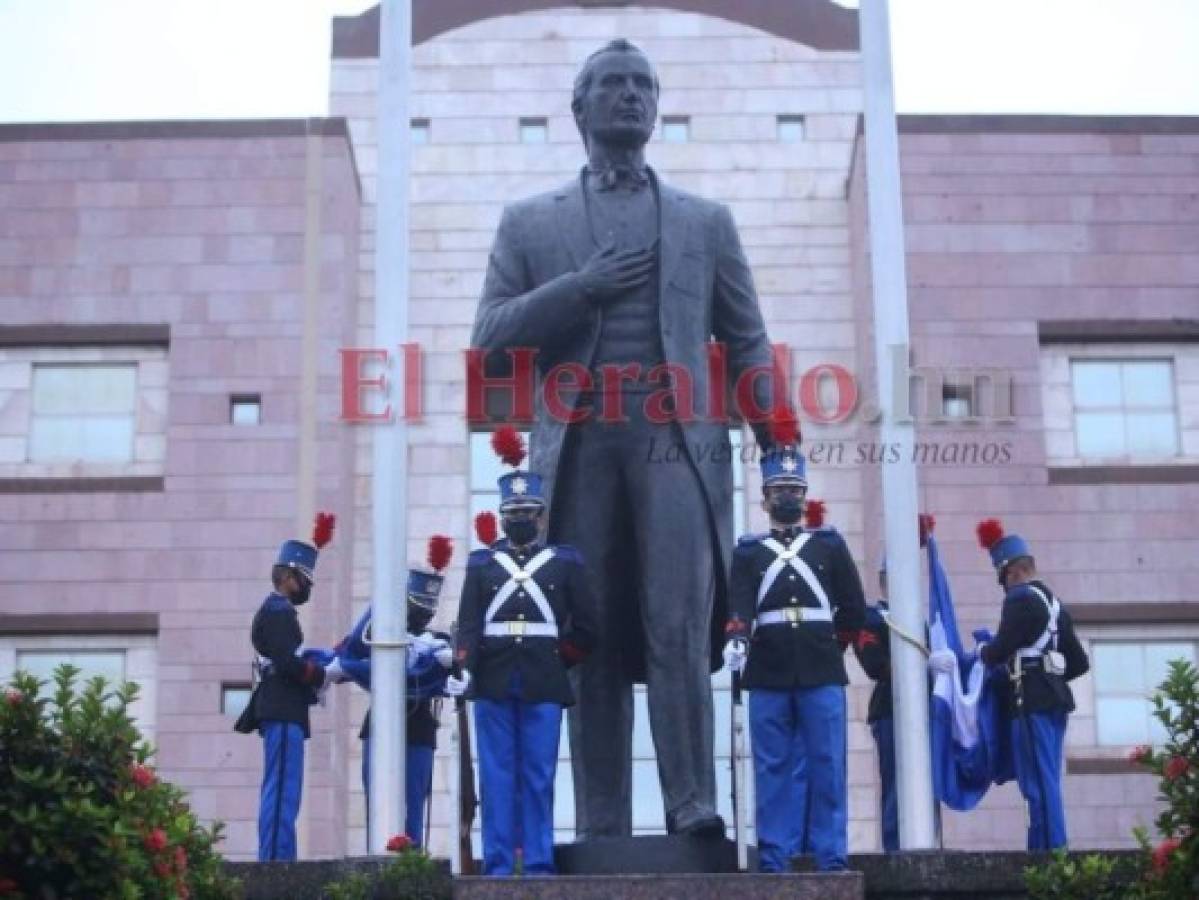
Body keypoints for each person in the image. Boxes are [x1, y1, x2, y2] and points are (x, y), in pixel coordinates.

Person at [471, 37, 780, 840]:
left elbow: (746, 340)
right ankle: (603, 822)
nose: (630, 95)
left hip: (675, 445)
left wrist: (777, 436)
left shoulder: (705, 222)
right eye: (612, 84)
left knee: (677, 619)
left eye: (643, 84)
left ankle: (691, 804)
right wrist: (581, 289)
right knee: (593, 631)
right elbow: (490, 340)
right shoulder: (529, 222)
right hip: (578, 448)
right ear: (580, 106)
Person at [448, 428, 598, 875]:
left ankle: (537, 861)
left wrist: (559, 659)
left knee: (538, 776)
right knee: (496, 777)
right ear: (501, 515)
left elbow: (588, 627)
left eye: (527, 512)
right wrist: (462, 664)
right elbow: (470, 624)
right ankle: (497, 864)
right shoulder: (482, 564)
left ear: (540, 516)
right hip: (492, 677)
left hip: (543, 678)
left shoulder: (564, 562)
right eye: (513, 512)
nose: (520, 519)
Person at [723, 421, 865, 872]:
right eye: (778, 489)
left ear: (804, 498)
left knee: (827, 765)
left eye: (793, 489)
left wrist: (834, 645)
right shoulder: (749, 551)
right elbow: (739, 604)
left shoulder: (828, 546)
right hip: (767, 668)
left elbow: (854, 607)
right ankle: (774, 856)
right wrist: (738, 640)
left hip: (821, 667)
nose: (786, 496)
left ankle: (831, 855)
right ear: (765, 500)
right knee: (772, 769)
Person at [932, 518, 1089, 850]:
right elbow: (1078, 663)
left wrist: (981, 652)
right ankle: (1052, 846)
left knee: (1036, 782)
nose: (1007, 586)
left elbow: (999, 650)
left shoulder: (1019, 599)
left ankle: (1047, 852)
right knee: (1048, 776)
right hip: (1055, 700)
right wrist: (1048, 675)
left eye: (1004, 579)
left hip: (1030, 702)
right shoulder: (1056, 606)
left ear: (1012, 572)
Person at [234, 512, 342, 862]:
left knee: (287, 789)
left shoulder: (279, 611)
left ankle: (281, 856)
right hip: (281, 707)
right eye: (304, 579)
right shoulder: (279, 611)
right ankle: (276, 862)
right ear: (290, 577)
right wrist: (319, 674)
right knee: (281, 789)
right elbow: (287, 663)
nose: (307, 587)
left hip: (285, 709)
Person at [337, 536, 454, 848]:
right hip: (381, 725)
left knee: (413, 812)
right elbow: (352, 654)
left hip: (418, 730)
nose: (423, 615)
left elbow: (453, 674)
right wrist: (386, 599)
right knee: (378, 809)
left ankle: (410, 872)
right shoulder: (383, 636)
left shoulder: (438, 642)